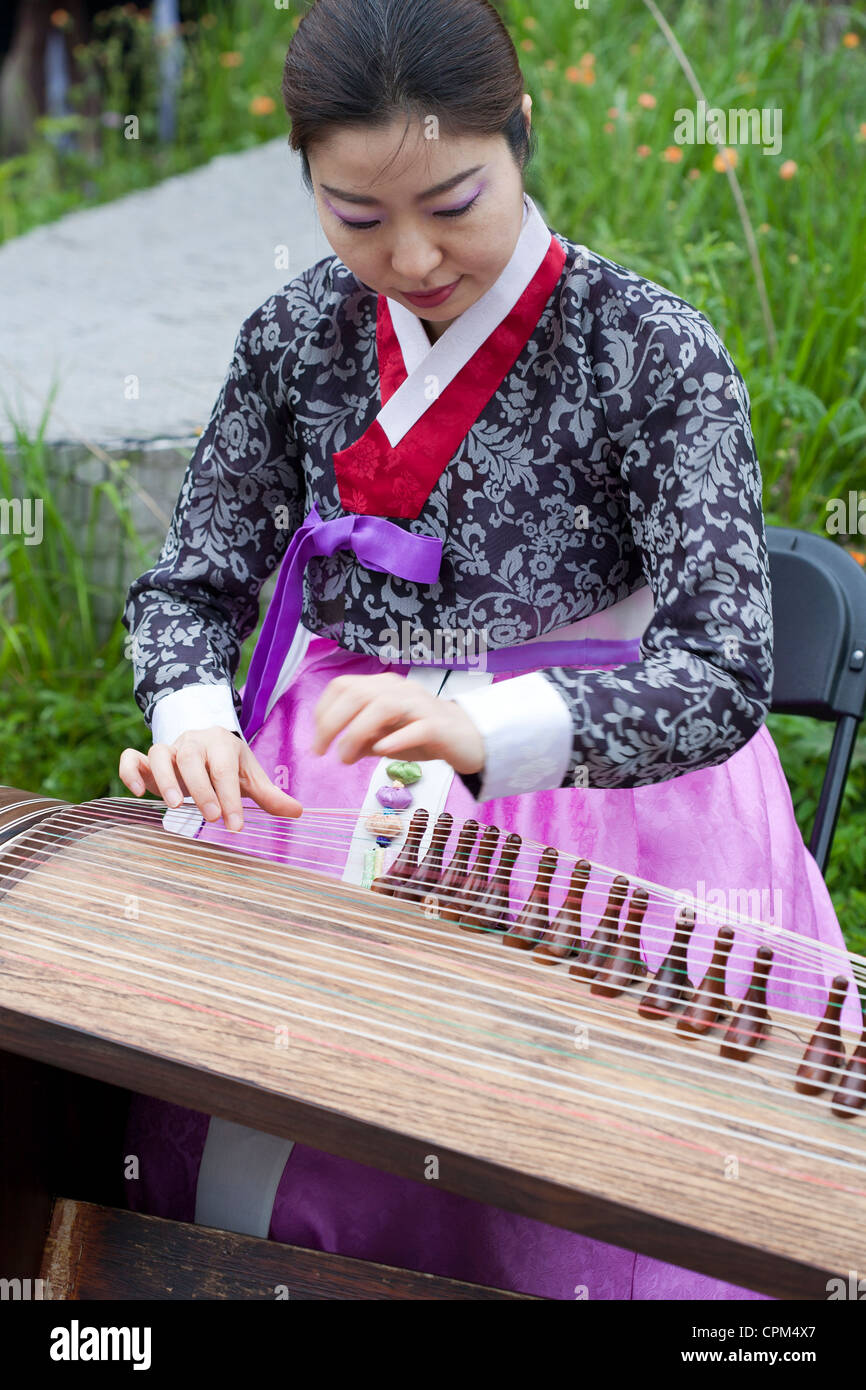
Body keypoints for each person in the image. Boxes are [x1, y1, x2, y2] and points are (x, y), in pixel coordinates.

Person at [118, 0, 849, 1300]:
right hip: (332, 766)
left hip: (608, 795)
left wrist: (497, 734)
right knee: (284, 1142)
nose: (409, 255)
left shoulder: (650, 350)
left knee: (583, 1185)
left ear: (521, 132)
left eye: (453, 202)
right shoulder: (296, 340)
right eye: (356, 216)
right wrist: (192, 721)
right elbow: (190, 584)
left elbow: (723, 666)